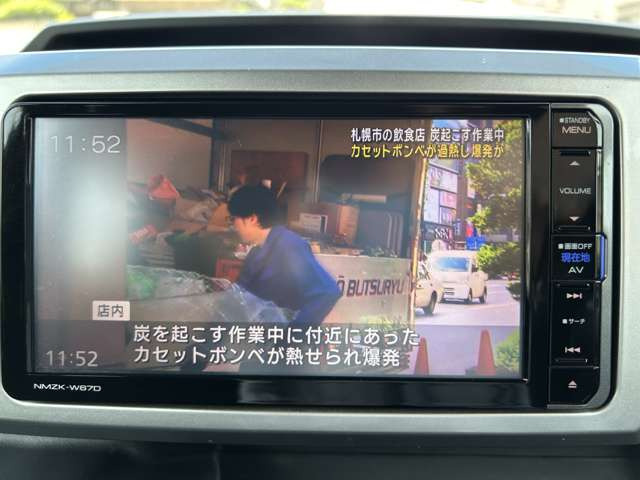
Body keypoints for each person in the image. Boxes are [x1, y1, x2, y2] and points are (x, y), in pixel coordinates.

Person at [228, 184, 341, 328]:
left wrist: (294, 332)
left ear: (252, 219)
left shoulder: (289, 245)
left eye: (233, 219)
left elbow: (327, 292)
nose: (233, 226)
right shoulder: (256, 252)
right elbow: (240, 294)